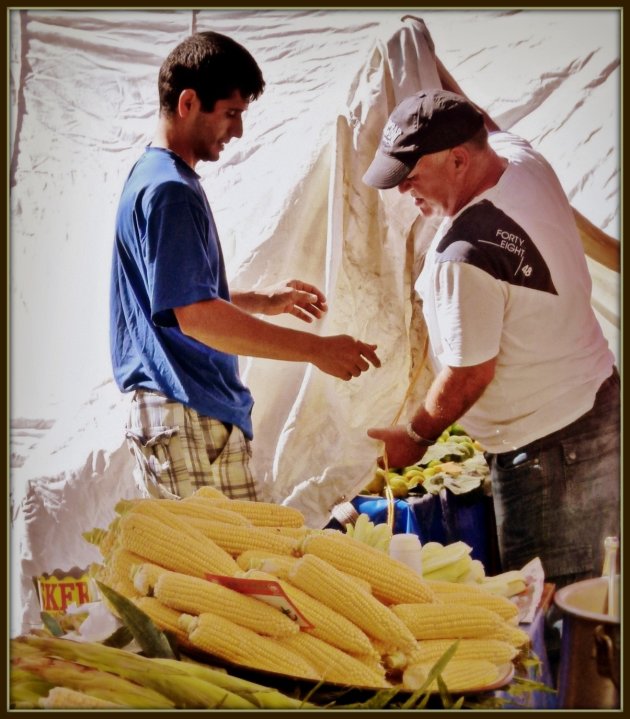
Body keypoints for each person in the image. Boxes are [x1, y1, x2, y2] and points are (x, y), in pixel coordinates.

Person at [362, 79, 619, 590]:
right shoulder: (521, 158)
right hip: (600, 405)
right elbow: (491, 128)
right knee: (600, 595)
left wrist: (415, 437)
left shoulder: (462, 258)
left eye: (410, 176)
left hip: (548, 458)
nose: (402, 190)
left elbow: (469, 374)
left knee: (548, 612)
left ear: (459, 159)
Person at [110, 31, 380, 502]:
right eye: (231, 114)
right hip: (185, 411)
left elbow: (172, 301)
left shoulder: (153, 177)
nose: (237, 131)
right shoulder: (169, 191)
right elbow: (196, 318)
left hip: (188, 412)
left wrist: (262, 301)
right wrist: (316, 350)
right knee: (230, 573)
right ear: (189, 102)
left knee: (246, 566)